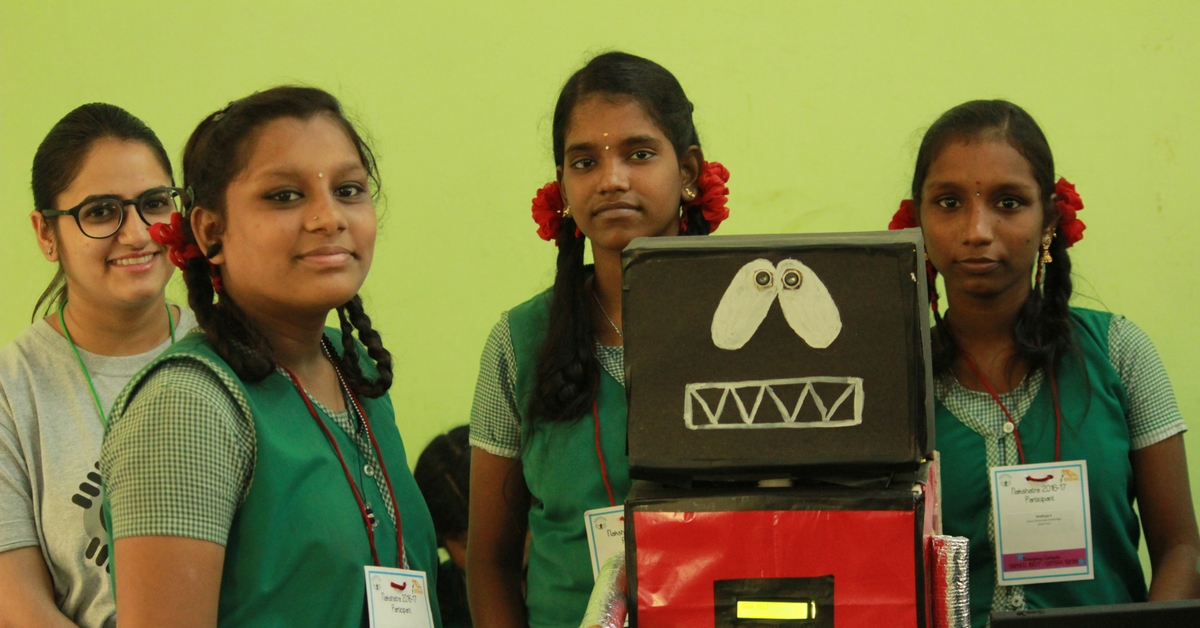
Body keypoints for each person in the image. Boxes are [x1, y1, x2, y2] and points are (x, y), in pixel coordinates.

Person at [99, 86, 441, 627]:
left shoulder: (357, 373)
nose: (329, 217)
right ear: (211, 231)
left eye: (349, 189)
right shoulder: (186, 406)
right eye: (285, 196)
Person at [889, 99, 1200, 626]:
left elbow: (1181, 548)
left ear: (1050, 219)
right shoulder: (891, 378)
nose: (977, 230)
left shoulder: (1121, 353)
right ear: (915, 221)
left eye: (1009, 203)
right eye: (948, 202)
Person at [466, 51, 730, 628]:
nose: (611, 179)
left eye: (638, 154)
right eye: (584, 161)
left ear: (687, 172)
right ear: (561, 185)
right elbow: (489, 561)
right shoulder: (518, 342)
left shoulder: (751, 325)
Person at [0, 103, 196, 628]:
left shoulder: (234, 348)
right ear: (46, 233)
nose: (137, 234)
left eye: (154, 203)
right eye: (101, 211)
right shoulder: (12, 389)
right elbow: (18, 603)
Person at [415, 425, 473, 628]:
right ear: (440, 541)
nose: (498, 555)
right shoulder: (435, 604)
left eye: (514, 531)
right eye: (469, 545)